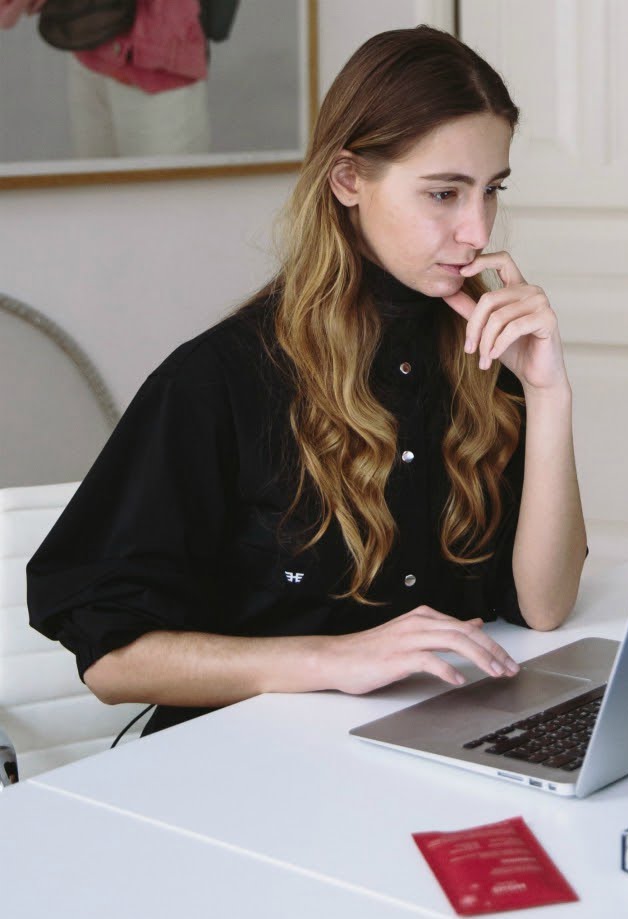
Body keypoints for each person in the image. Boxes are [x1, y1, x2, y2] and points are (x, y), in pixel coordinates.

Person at [27, 26, 588, 737]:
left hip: (429, 741)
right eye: (444, 193)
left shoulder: (483, 353)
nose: (477, 230)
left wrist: (548, 394)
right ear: (349, 179)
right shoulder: (220, 379)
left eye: (491, 191)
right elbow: (111, 662)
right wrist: (331, 658)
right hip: (244, 769)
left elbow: (544, 605)